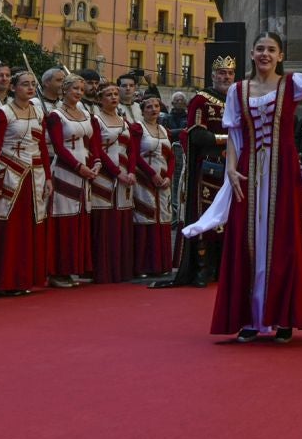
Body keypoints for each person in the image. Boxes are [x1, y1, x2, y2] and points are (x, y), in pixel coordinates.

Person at [182, 32, 302, 343]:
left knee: (283, 241)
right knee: (246, 240)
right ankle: (250, 319)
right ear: (252, 54)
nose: (264, 54)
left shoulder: (292, 84)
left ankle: (283, 318)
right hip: (248, 171)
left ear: (280, 56)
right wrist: (231, 168)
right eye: (260, 49)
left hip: (283, 172)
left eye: (271, 49)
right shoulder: (238, 91)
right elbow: (233, 133)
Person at [154, 56, 234, 289]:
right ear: (213, 76)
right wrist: (232, 140)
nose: (225, 77)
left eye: (229, 74)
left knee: (231, 221)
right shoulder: (201, 100)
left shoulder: (239, 99)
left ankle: (225, 267)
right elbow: (198, 135)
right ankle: (202, 268)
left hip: (236, 169)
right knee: (206, 220)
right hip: (210, 168)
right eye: (221, 73)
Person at [0, 68, 52, 296]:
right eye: (24, 84)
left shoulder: (39, 113)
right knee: (7, 227)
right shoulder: (3, 113)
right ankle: (5, 280)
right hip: (9, 174)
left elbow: (42, 147)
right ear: (13, 88)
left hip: (35, 175)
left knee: (30, 226)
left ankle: (25, 278)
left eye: (33, 84)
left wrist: (48, 177)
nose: (30, 88)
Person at [45, 75, 98, 287]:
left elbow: (94, 143)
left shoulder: (85, 114)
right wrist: (79, 167)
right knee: (63, 219)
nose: (78, 92)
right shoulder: (56, 115)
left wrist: (96, 164)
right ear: (64, 90)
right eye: (74, 88)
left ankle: (73, 268)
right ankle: (58, 271)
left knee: (79, 219)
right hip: (66, 170)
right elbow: (59, 147)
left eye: (81, 89)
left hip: (85, 171)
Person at [88, 82, 138, 284]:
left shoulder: (125, 121)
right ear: (100, 99)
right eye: (108, 94)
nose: (113, 97)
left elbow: (132, 149)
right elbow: (97, 149)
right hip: (105, 176)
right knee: (105, 219)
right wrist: (117, 172)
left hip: (126, 175)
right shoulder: (96, 120)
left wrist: (132, 171)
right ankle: (103, 270)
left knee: (122, 219)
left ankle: (121, 269)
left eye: (116, 94)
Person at [130, 94, 177, 278]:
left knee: (163, 218)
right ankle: (143, 265)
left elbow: (171, 157)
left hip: (163, 181)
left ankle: (161, 264)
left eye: (156, 106)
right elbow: (134, 154)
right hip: (144, 179)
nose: (153, 109)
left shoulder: (165, 130)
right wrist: (151, 174)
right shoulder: (137, 128)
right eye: (149, 107)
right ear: (142, 111)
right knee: (145, 217)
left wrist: (168, 176)